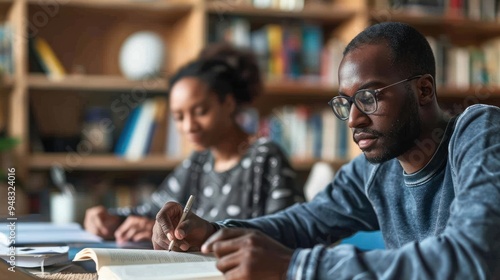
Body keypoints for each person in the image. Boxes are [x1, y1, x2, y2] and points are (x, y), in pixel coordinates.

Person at [152, 22, 500, 279]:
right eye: (346, 103)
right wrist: (214, 231)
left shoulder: (479, 132)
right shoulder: (375, 167)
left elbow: (473, 256)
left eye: (369, 97)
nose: (353, 120)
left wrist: (297, 266)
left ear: (424, 90)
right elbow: (305, 222)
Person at [84, 44, 305, 243]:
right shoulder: (199, 161)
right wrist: (111, 219)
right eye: (179, 117)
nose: (189, 126)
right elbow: (152, 211)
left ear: (228, 103)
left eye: (201, 112)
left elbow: (287, 235)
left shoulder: (266, 156)